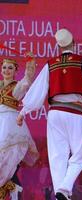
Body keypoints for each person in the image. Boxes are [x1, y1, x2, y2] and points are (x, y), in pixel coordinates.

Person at [16, 28, 82, 200]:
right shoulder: (81, 61)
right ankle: (64, 189)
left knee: (57, 157)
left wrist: (23, 111)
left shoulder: (51, 64)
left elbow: (38, 90)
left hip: (55, 114)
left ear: (58, 46)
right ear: (74, 44)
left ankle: (61, 194)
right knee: (78, 156)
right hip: (73, 112)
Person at [0, 54, 39, 200]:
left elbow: (28, 80)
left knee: (9, 163)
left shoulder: (17, 86)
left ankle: (12, 190)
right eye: (4, 67)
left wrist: (30, 63)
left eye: (10, 68)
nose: (6, 70)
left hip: (10, 127)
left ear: (16, 71)